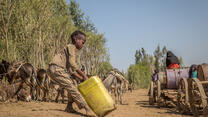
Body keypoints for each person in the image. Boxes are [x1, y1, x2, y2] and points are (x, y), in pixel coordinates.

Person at [47, 30, 94, 116]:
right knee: (72, 87)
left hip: (55, 69)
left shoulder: (71, 50)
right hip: (56, 68)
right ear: (76, 39)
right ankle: (87, 108)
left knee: (73, 83)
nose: (83, 45)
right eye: (83, 42)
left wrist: (81, 78)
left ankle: (69, 106)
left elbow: (70, 70)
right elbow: (72, 63)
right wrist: (83, 74)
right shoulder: (71, 47)